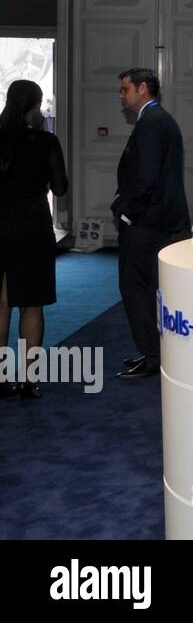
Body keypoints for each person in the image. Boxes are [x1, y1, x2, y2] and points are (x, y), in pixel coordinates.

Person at [113, 68, 191, 380]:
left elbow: (146, 178)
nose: (121, 95)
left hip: (147, 223)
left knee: (136, 287)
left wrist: (125, 211)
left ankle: (151, 356)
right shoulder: (160, 120)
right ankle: (154, 354)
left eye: (124, 89)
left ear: (143, 89)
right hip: (160, 221)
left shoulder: (151, 123)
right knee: (151, 288)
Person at [0, 80, 69, 399]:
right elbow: (60, 188)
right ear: (34, 105)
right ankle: (28, 379)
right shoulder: (46, 141)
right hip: (33, 226)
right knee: (31, 303)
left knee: (1, 304)